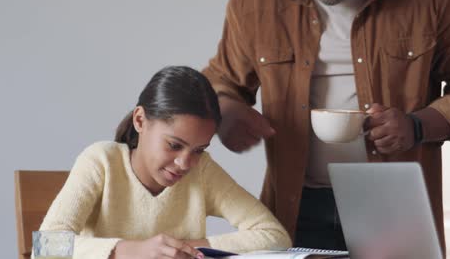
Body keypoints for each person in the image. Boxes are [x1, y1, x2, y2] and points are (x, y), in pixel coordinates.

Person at [202, 0, 450, 255]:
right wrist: (226, 113)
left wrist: (417, 126)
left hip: (393, 207)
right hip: (294, 205)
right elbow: (220, 83)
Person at [39, 66, 291, 259]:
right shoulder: (101, 161)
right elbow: (45, 247)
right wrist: (131, 251)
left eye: (199, 150)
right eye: (174, 145)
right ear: (140, 120)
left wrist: (187, 249)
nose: (185, 163)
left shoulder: (202, 171)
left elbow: (275, 237)